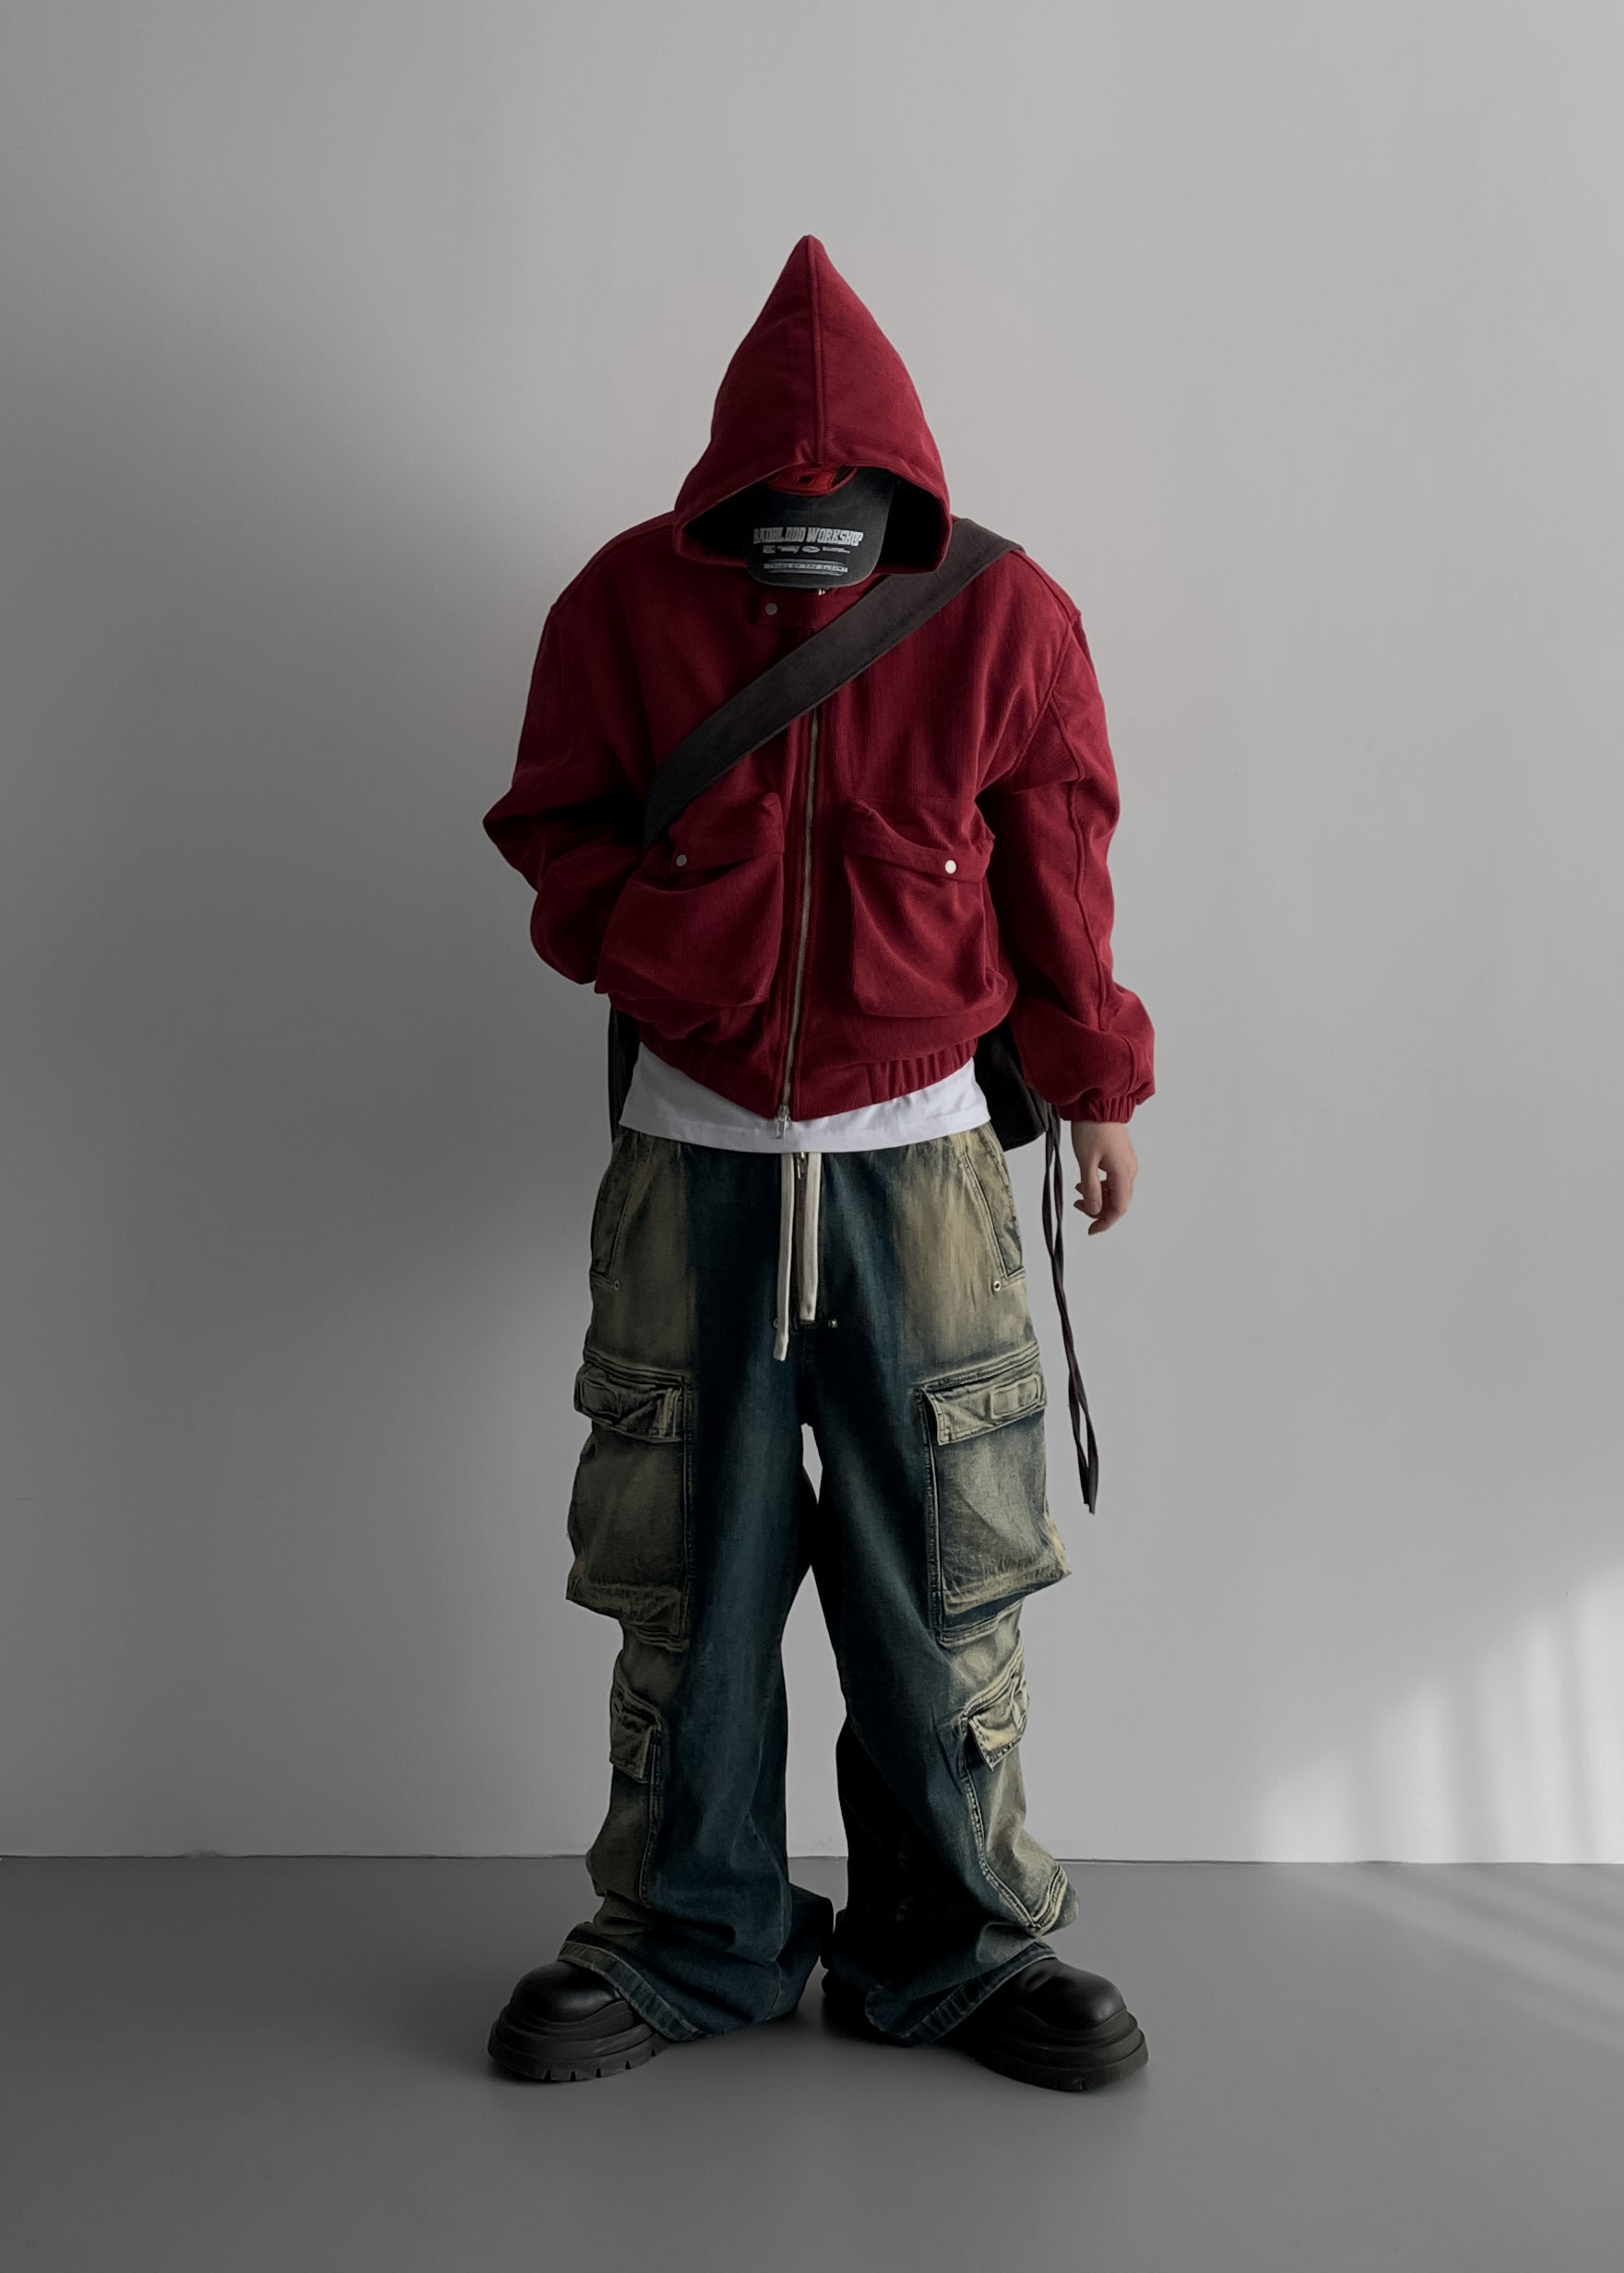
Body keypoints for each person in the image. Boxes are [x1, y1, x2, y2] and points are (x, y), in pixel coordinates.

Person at [480, 237, 1155, 2091]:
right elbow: (548, 823)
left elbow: (1059, 864)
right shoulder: (624, 602)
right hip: (687, 1156)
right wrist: (661, 936)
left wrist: (1094, 1085)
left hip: (919, 1163)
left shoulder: (1003, 612)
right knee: (687, 1571)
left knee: (937, 1562)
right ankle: (685, 1937)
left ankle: (956, 1945)